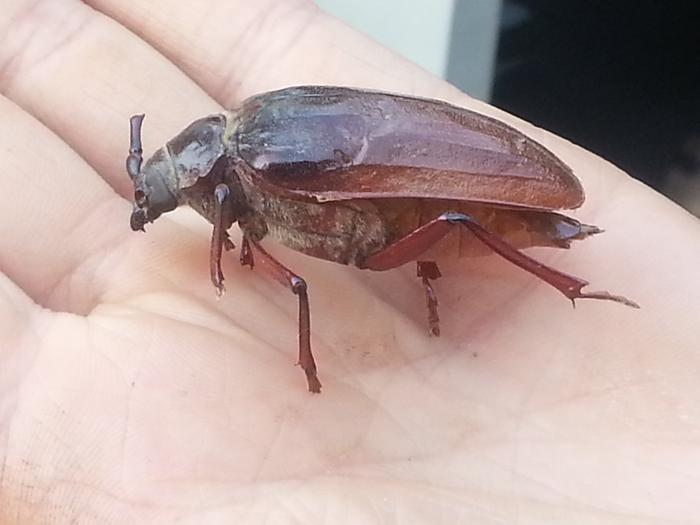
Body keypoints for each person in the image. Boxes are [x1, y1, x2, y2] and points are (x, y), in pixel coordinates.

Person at [0, 1, 698, 522]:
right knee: (425, 221)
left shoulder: (259, 154)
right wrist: (235, 236)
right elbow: (272, 214)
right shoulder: (246, 142)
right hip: (398, 206)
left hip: (443, 203)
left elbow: (311, 266)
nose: (157, 205)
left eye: (159, 194)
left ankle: (572, 290)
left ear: (197, 173)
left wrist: (305, 362)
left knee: (438, 220)